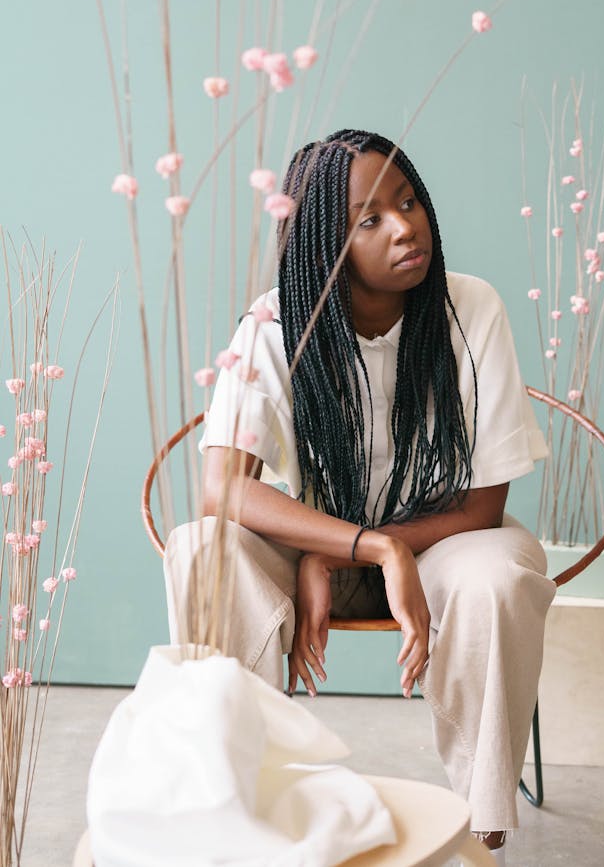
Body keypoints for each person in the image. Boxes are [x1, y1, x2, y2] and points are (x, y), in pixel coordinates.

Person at [165, 129, 555, 862]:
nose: (405, 225)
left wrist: (371, 553)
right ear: (325, 244)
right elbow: (222, 485)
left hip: (441, 550)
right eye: (369, 218)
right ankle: (235, 795)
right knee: (200, 548)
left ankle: (480, 821)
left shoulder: (472, 308)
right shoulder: (278, 324)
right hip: (327, 556)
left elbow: (480, 508)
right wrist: (355, 547)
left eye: (408, 201)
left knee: (500, 567)